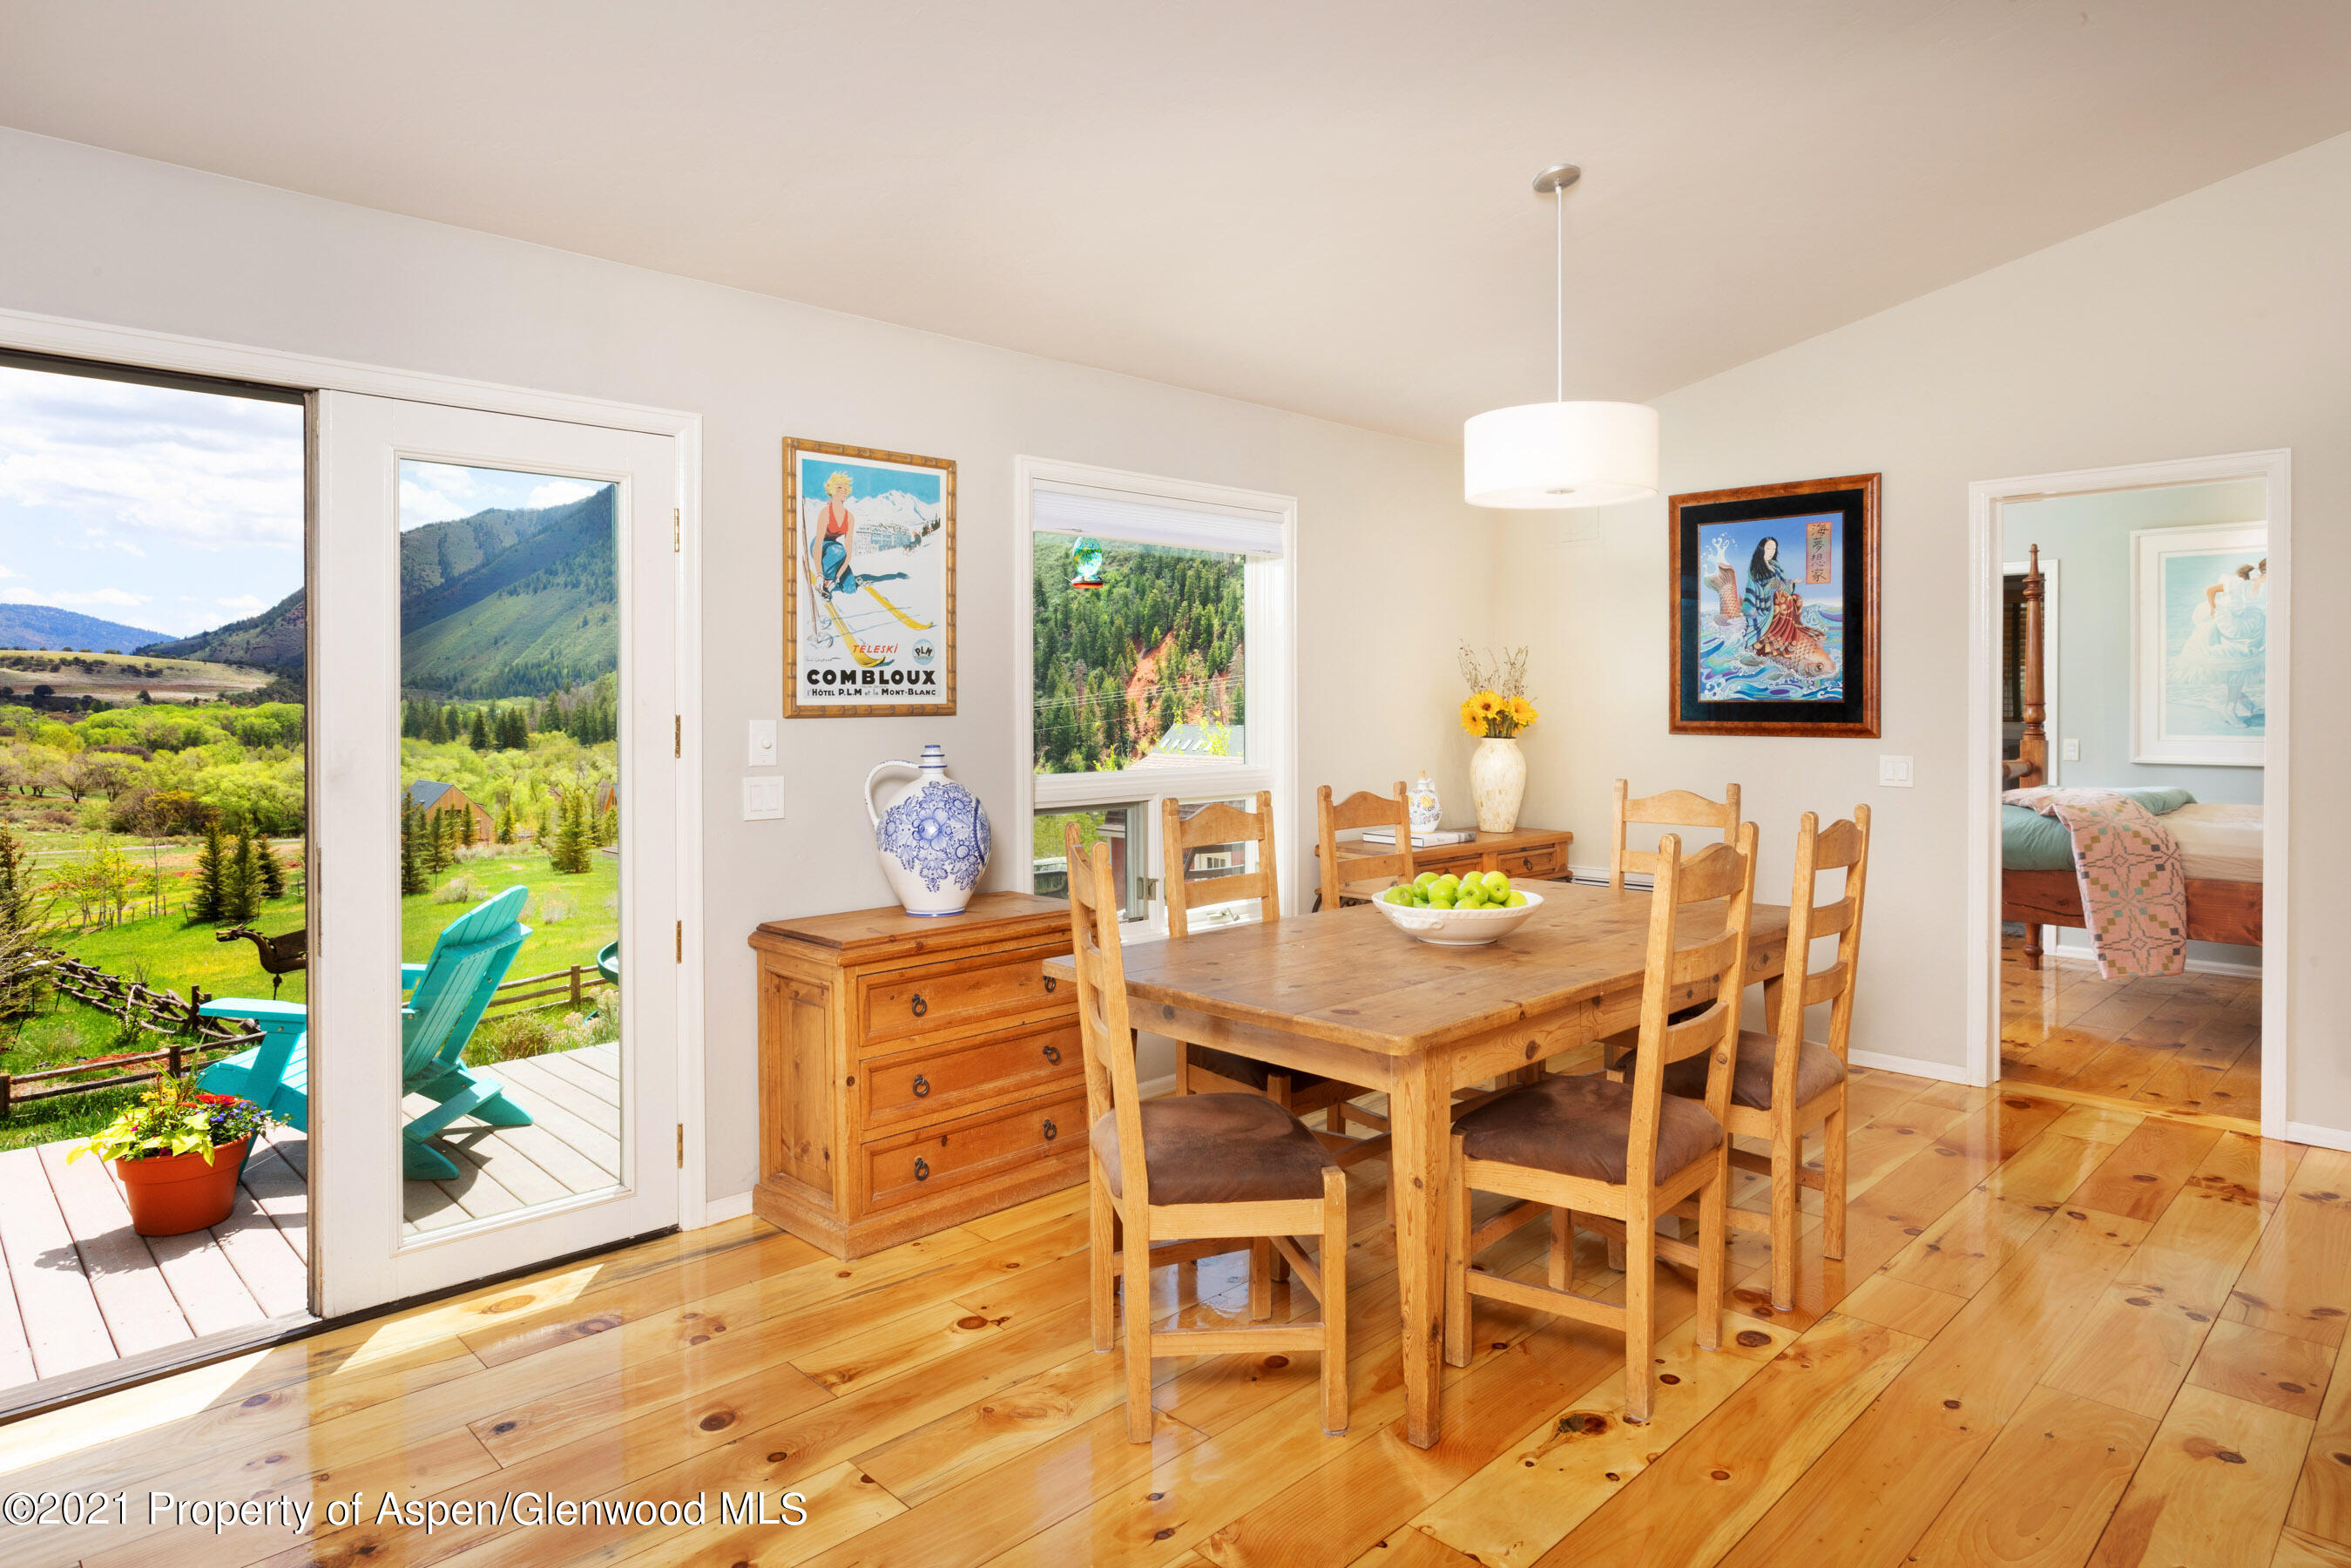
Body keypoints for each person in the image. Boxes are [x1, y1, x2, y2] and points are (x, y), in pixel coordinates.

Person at [2175, 558, 2267, 725]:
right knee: (2236, 666)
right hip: (2227, 624)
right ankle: (2230, 708)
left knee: (2240, 666)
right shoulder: (2238, 583)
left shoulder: (2259, 585)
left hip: (2245, 625)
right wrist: (2213, 608)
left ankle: (2240, 700)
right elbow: (2210, 590)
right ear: (2265, 572)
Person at [814, 470, 907, 598]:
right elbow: (817, 545)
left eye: (845, 488)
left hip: (836, 551)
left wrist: (837, 578)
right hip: (822, 547)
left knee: (850, 589)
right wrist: (819, 574)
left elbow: (848, 553)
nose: (844, 491)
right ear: (832, 490)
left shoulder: (849, 517)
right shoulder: (826, 513)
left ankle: (832, 581)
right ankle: (825, 580)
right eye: (840, 488)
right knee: (838, 551)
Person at [1741, 536, 1800, 647]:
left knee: (1796, 598)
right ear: (1761, 549)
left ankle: (1787, 635)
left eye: (1774, 549)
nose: (1771, 552)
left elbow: (1782, 582)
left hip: (1777, 597)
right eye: (1768, 548)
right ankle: (1774, 637)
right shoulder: (1755, 567)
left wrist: (1791, 583)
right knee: (1784, 599)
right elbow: (1756, 587)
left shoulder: (1775, 565)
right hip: (1763, 604)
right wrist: (1770, 588)